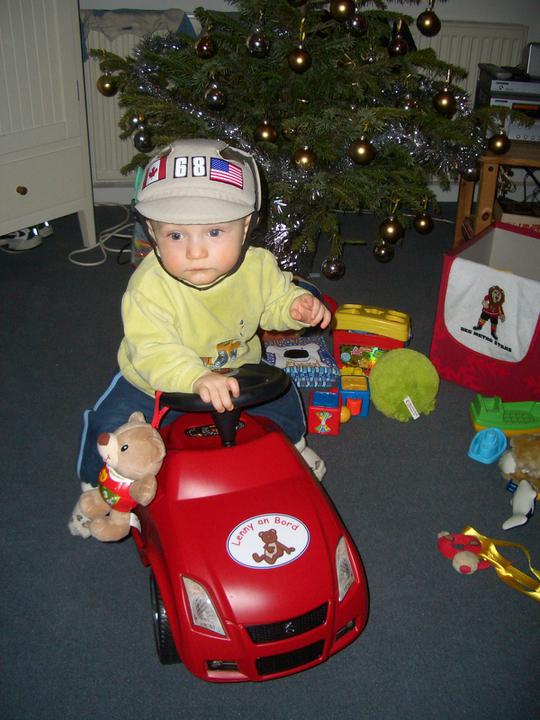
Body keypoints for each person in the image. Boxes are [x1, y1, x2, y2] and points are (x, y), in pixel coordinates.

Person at [76, 138, 330, 488]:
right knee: (112, 427)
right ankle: (98, 488)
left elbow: (273, 300)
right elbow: (153, 351)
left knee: (283, 394)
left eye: (214, 231)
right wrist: (195, 378)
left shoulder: (258, 266)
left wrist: (293, 306)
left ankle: (294, 447)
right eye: (175, 235)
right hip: (155, 382)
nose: (195, 251)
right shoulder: (148, 287)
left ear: (245, 226)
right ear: (153, 232)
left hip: (236, 367)